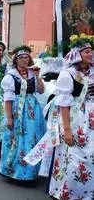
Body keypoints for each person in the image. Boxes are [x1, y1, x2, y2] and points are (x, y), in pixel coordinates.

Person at [32, 34, 93, 199]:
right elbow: (64, 104)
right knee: (75, 155)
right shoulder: (68, 74)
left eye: (91, 51)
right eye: (86, 51)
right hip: (75, 118)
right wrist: (66, 130)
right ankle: (68, 191)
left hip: (92, 118)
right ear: (77, 54)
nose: (90, 54)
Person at [0, 45, 45, 181]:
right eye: (21, 58)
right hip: (17, 109)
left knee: (32, 139)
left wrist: (37, 76)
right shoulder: (11, 76)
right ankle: (15, 170)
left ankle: (30, 171)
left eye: (26, 57)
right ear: (16, 60)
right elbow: (8, 99)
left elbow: (41, 90)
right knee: (16, 138)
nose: (24, 60)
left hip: (32, 110)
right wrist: (10, 119)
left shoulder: (32, 74)